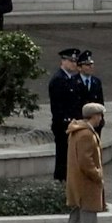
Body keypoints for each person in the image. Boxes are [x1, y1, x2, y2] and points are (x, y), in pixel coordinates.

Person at [60, 103, 107, 223]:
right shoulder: (87, 134)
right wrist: (98, 175)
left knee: (75, 222)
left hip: (77, 185)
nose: (101, 119)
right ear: (94, 116)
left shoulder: (76, 131)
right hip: (87, 187)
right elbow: (86, 162)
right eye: (100, 115)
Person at [46, 47, 86, 183]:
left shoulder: (72, 79)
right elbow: (57, 105)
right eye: (71, 61)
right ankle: (60, 178)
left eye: (75, 61)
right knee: (63, 153)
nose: (74, 64)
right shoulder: (58, 79)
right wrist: (65, 120)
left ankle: (68, 178)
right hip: (63, 123)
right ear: (63, 62)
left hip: (73, 122)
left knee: (71, 153)